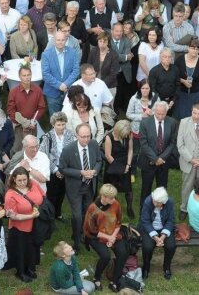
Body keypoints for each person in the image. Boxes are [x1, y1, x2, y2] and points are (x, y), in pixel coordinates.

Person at [59, 123, 102, 252]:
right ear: (76, 135)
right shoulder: (68, 150)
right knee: (77, 216)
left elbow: (99, 161)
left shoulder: (94, 144)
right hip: (75, 188)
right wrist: (81, 173)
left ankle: (83, 234)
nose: (86, 139)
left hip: (89, 187)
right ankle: (76, 243)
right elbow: (62, 168)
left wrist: (94, 171)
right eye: (83, 137)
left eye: (88, 136)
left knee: (86, 213)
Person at [83, 183, 126, 292]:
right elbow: (91, 231)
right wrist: (108, 238)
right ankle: (96, 278)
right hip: (96, 237)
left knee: (123, 253)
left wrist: (112, 237)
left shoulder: (116, 204)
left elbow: (118, 223)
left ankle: (114, 281)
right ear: (103, 197)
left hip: (113, 234)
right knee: (105, 256)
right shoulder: (93, 208)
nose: (114, 200)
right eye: (111, 198)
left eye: (114, 197)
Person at [4, 167, 44, 283]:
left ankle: (31, 268)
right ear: (14, 180)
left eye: (24, 180)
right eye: (19, 180)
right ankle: (20, 272)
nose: (22, 183)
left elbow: (43, 196)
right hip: (19, 227)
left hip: (35, 224)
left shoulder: (34, 184)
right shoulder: (10, 195)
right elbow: (13, 216)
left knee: (32, 247)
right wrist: (31, 216)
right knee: (21, 249)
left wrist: (38, 209)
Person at [137, 101, 177, 209]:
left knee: (162, 188)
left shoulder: (172, 122)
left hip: (163, 163)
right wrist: (155, 159)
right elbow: (143, 143)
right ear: (154, 111)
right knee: (146, 188)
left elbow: (172, 142)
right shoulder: (145, 123)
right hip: (148, 162)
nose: (160, 116)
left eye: (163, 114)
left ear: (166, 112)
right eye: (158, 113)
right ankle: (144, 210)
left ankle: (161, 210)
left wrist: (162, 158)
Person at [138, 186, 176, 281]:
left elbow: (170, 221)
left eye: (157, 202)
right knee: (147, 247)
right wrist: (155, 237)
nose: (154, 203)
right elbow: (145, 221)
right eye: (154, 201)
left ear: (163, 202)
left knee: (171, 246)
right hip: (149, 227)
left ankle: (166, 267)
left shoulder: (169, 202)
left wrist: (162, 236)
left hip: (164, 228)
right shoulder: (148, 201)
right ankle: (146, 267)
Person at [42, 31, 81, 114]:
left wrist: (66, 84)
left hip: (69, 91)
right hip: (52, 92)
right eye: (58, 40)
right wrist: (59, 85)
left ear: (66, 40)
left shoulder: (72, 52)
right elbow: (45, 74)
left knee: (69, 116)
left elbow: (76, 70)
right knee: (55, 117)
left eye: (63, 40)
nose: (60, 42)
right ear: (54, 41)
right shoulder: (46, 54)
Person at [102, 120, 134, 217]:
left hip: (125, 165)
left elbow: (130, 150)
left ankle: (129, 208)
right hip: (113, 165)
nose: (126, 136)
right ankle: (115, 208)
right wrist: (120, 168)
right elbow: (108, 155)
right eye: (124, 134)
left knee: (128, 189)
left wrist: (128, 165)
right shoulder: (109, 137)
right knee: (112, 189)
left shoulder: (129, 134)